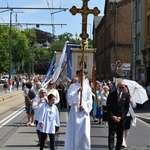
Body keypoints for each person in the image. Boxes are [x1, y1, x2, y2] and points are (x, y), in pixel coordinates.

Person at [64, 69, 93, 150]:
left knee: (84, 133)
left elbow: (90, 101)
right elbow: (69, 99)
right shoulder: (72, 86)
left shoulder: (88, 88)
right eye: (80, 75)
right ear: (77, 76)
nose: (81, 77)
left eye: (83, 75)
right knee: (74, 132)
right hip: (75, 111)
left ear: (85, 76)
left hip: (83, 112)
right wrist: (77, 92)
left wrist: (84, 106)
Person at [107, 80, 130, 150]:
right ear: (117, 86)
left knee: (120, 137)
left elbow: (126, 108)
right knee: (111, 136)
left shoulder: (126, 95)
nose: (121, 89)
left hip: (121, 119)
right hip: (112, 118)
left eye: (123, 87)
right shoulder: (111, 94)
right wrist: (112, 116)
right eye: (120, 87)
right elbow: (108, 107)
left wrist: (121, 117)